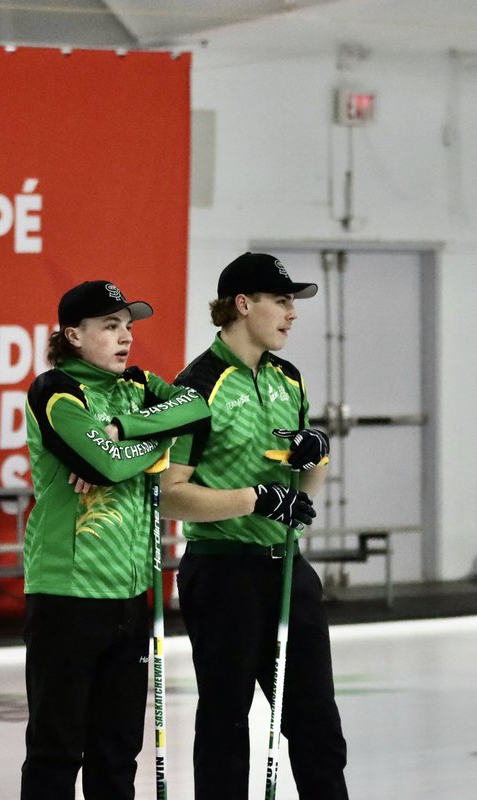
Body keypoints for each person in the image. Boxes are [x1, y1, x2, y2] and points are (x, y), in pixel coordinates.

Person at [161, 252, 349, 800]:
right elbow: (169, 495)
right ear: (243, 305)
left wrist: (315, 461)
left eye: (294, 303)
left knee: (316, 723)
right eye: (282, 301)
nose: (293, 314)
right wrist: (254, 499)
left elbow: (303, 493)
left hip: (287, 569)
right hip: (223, 574)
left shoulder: (288, 378)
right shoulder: (196, 386)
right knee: (226, 723)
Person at [20, 279, 208, 800]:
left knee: (117, 751)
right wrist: (155, 445)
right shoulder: (56, 390)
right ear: (73, 335)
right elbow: (100, 464)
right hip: (67, 595)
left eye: (128, 326)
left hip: (131, 594)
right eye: (110, 326)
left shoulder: (139, 385)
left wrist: (128, 432)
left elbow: (196, 408)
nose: (125, 337)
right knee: (56, 751)